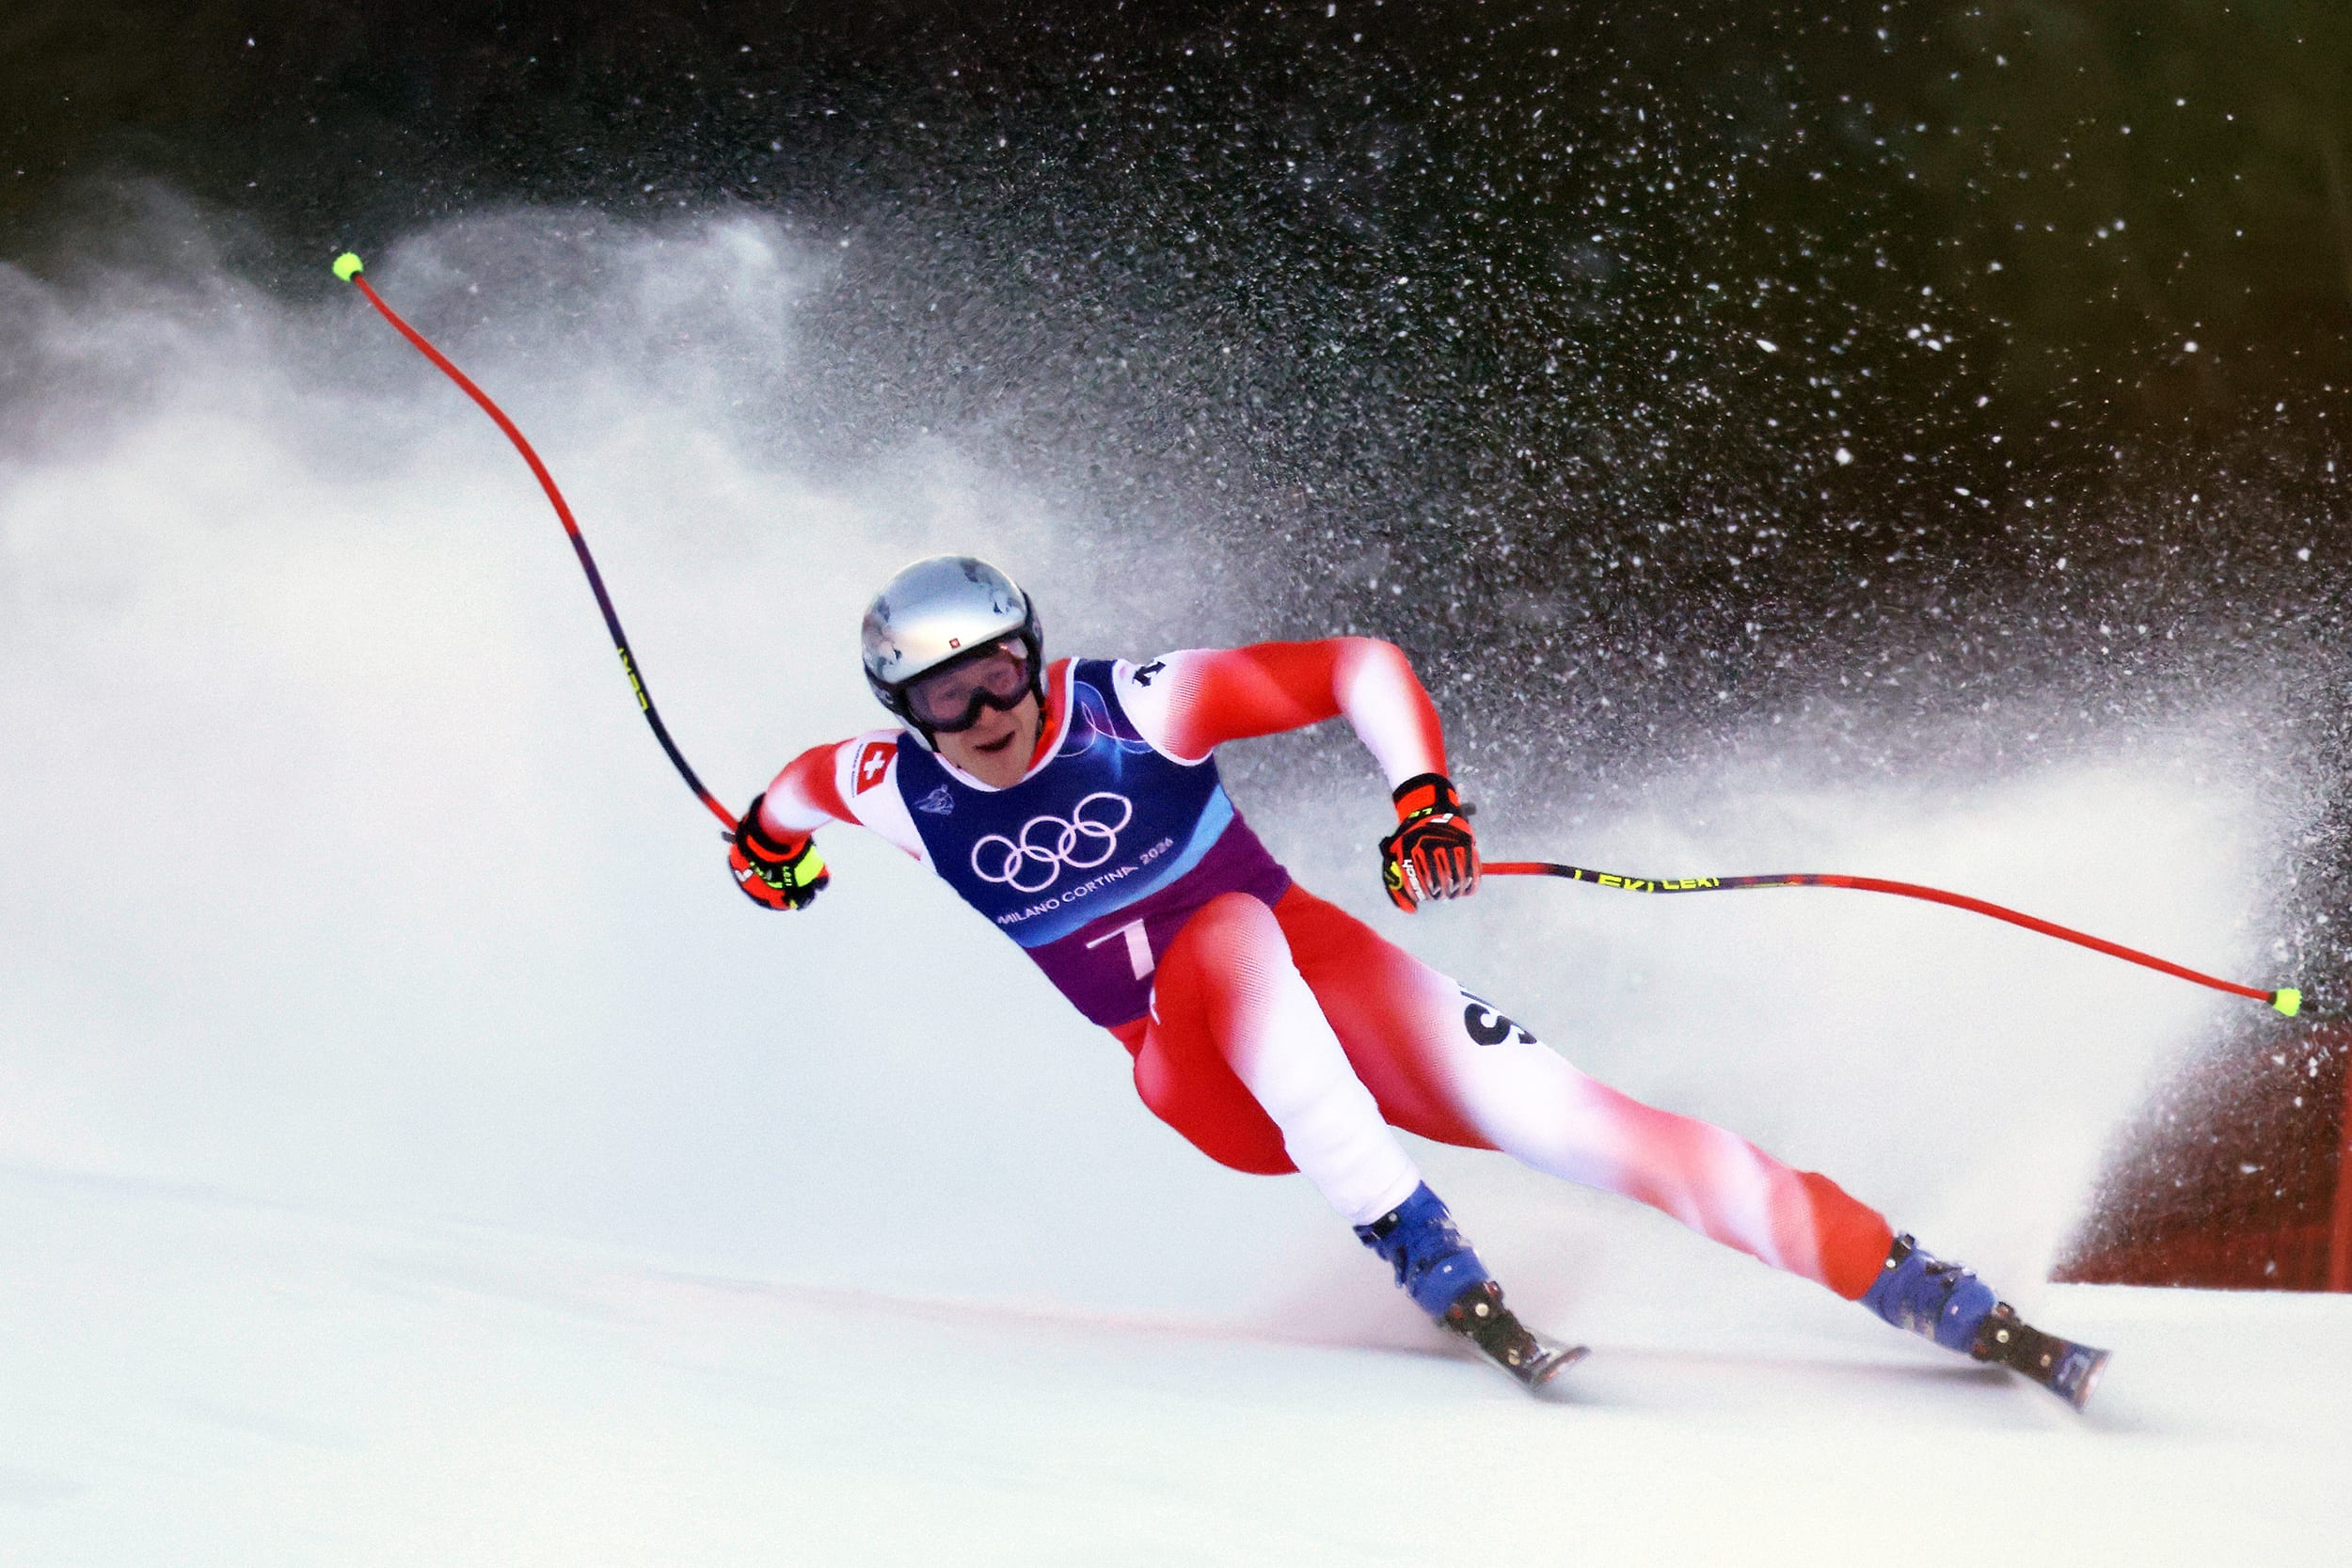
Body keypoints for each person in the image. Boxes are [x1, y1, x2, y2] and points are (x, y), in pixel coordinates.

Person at [729, 554, 2106, 1403]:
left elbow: (1357, 665)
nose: (988, 717)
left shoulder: (1136, 706)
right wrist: (767, 862)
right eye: (946, 700)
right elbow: (779, 807)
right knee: (1222, 938)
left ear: (1036, 652)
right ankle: (1417, 1242)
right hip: (1194, 1069)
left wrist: (1424, 800)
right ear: (902, 714)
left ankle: (1925, 1290)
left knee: (1581, 1119)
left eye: (1001, 675)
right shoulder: (891, 790)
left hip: (1333, 985)